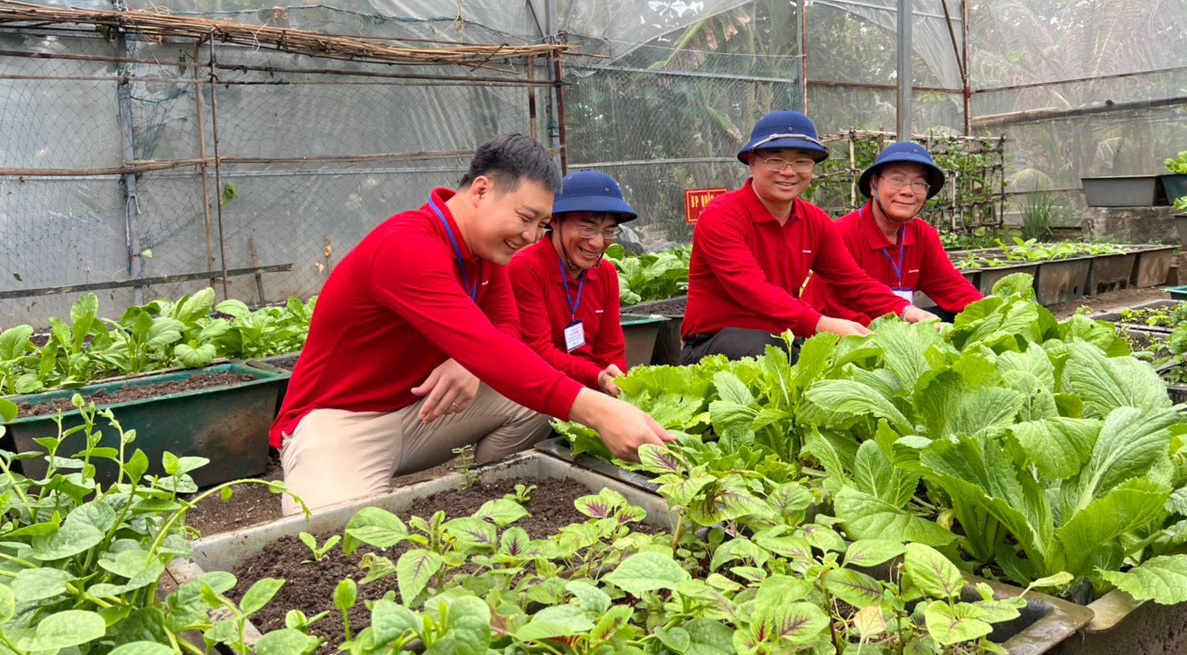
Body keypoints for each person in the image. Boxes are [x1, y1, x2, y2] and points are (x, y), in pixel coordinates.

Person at [270, 134, 671, 514]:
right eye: (525, 217)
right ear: (480, 191)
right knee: (339, 540)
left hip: (420, 412)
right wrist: (600, 413)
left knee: (532, 399)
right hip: (341, 420)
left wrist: (466, 363)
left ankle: (490, 495)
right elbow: (489, 345)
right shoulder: (406, 246)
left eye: (541, 225)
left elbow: (506, 336)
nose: (532, 236)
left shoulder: (484, 255)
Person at [681, 111, 939, 364]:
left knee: (836, 361)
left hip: (783, 335)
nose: (789, 171)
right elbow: (750, 289)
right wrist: (821, 323)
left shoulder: (814, 220)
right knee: (774, 352)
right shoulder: (722, 214)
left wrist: (905, 311)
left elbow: (852, 281)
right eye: (776, 160)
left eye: (802, 161)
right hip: (714, 340)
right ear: (752, 161)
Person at [806, 141, 983, 326]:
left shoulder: (923, 235)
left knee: (955, 319)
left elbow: (951, 287)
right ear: (874, 183)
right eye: (897, 179)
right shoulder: (842, 233)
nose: (907, 191)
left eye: (919, 183)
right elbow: (835, 311)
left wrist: (994, 312)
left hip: (894, 328)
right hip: (840, 337)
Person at [508, 171, 635, 397]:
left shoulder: (605, 273)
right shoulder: (526, 268)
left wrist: (616, 385)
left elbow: (611, 349)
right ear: (555, 221)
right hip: (541, 390)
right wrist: (597, 378)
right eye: (587, 228)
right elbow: (538, 352)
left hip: (592, 388)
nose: (597, 242)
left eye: (608, 231)